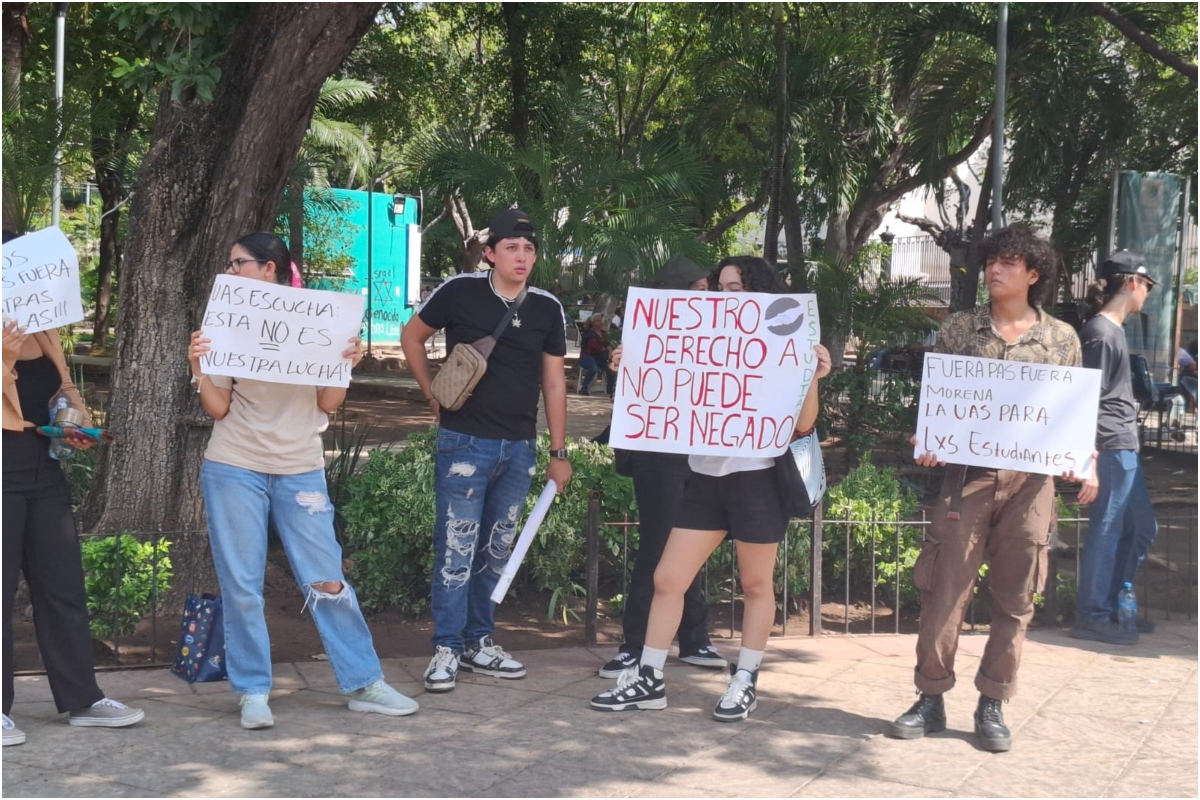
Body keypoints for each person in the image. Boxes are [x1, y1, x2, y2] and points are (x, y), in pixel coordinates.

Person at [189, 232, 418, 729]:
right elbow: (217, 407)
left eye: (238, 263)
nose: (230, 272)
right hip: (234, 464)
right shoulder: (227, 320)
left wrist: (345, 363)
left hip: (301, 466)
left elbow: (328, 404)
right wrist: (200, 366)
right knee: (242, 585)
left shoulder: (321, 318)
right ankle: (253, 691)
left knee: (328, 578)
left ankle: (364, 681)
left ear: (268, 268)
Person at [591, 255, 832, 722]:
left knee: (756, 584)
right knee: (668, 579)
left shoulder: (784, 341)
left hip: (758, 479)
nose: (724, 296)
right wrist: (633, 365)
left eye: (735, 287)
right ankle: (649, 676)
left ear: (759, 290)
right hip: (705, 475)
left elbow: (803, 424)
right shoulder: (700, 338)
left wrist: (813, 376)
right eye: (719, 287)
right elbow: (661, 397)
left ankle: (744, 680)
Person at [888, 223, 1082, 753]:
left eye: (1008, 263)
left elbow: (1071, 416)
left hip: (1032, 484)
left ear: (1033, 274)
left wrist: (1084, 462)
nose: (994, 270)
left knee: (1017, 597)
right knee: (944, 591)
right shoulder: (959, 329)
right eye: (991, 261)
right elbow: (939, 401)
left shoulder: (1062, 339)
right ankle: (930, 696)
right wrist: (929, 437)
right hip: (967, 477)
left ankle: (993, 700)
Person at [401, 208, 573, 693]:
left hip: (519, 447)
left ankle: (479, 641)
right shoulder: (459, 290)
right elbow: (412, 337)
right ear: (490, 253)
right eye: (513, 248)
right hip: (464, 441)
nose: (522, 257)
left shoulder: (545, 307)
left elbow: (554, 382)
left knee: (496, 549)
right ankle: (446, 647)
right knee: (455, 547)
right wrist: (429, 392)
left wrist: (558, 452)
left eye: (530, 249)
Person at [3, 242, 145, 745]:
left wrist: (76, 423)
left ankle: (81, 697)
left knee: (62, 586)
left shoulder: (43, 328)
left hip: (45, 472)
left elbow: (63, 391)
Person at [599, 255, 726, 680]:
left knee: (690, 546)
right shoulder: (646, 334)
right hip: (660, 453)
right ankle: (635, 645)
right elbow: (634, 399)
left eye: (710, 290)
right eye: (700, 289)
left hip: (704, 450)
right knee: (659, 546)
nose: (708, 296)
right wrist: (622, 368)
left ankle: (693, 637)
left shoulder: (721, 334)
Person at [1071, 251, 1160, 645]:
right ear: (1130, 283)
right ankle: (1093, 614)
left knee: (1142, 528)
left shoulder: (1113, 331)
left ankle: (1113, 604)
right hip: (1109, 445)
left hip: (1124, 444)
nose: (1148, 293)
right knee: (1106, 530)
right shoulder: (1100, 333)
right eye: (1148, 285)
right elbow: (1084, 398)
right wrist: (1087, 460)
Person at [579, 314, 616, 397]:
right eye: (598, 321)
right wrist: (606, 348)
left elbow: (608, 344)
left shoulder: (603, 333)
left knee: (610, 368)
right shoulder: (588, 333)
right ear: (593, 323)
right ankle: (584, 388)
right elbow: (595, 347)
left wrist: (609, 348)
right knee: (593, 368)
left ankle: (610, 389)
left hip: (598, 358)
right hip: (587, 357)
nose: (600, 322)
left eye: (600, 320)